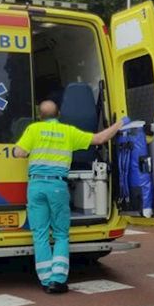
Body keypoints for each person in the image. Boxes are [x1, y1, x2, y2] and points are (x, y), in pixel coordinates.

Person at [13, 100, 125, 293]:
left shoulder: (33, 129)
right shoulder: (68, 131)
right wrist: (119, 124)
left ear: (39, 115)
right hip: (57, 185)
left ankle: (45, 280)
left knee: (39, 234)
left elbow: (19, 152)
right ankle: (57, 280)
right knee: (60, 234)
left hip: (36, 185)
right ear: (60, 114)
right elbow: (99, 139)